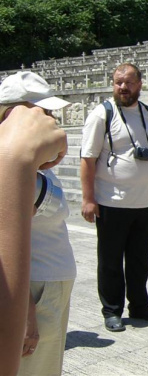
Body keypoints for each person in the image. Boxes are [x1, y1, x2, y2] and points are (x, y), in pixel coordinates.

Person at [0, 72, 76, 376]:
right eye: (44, 111)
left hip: (48, 284)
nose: (51, 119)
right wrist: (26, 309)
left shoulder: (28, 159)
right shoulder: (12, 162)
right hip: (34, 290)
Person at [80, 63, 148, 332]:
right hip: (111, 202)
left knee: (140, 259)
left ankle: (139, 305)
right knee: (111, 260)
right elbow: (88, 158)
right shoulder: (102, 115)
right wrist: (88, 199)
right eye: (118, 82)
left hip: (145, 202)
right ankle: (112, 310)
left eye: (128, 82)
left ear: (140, 84)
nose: (123, 87)